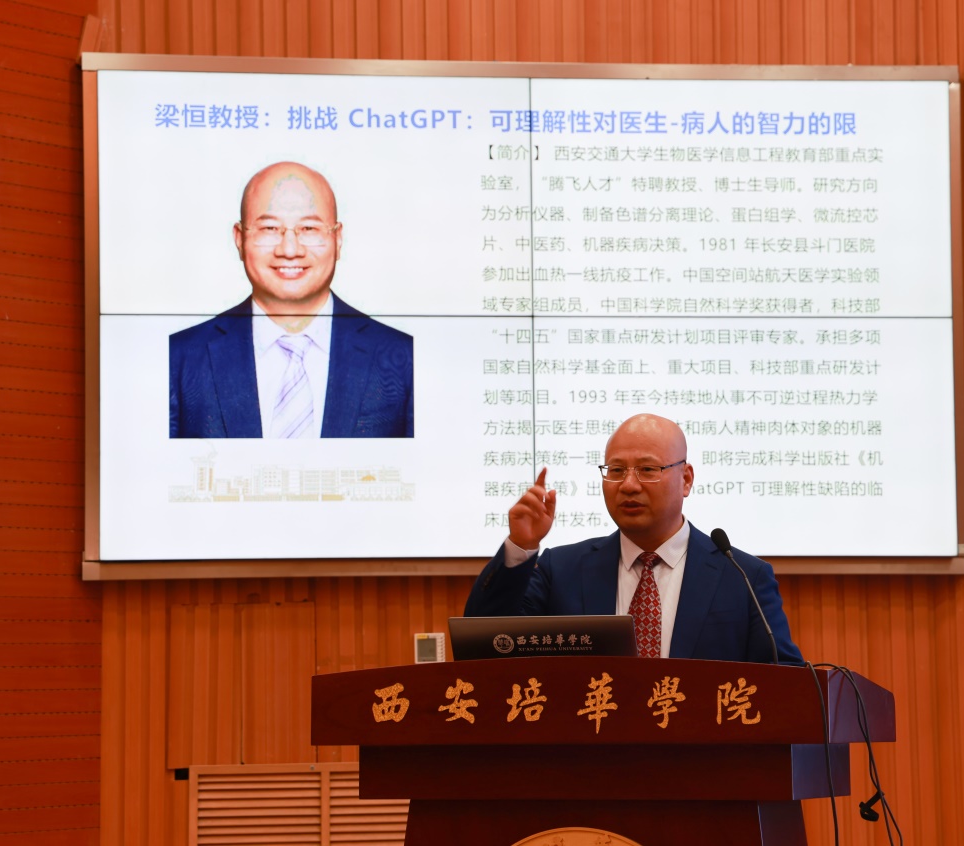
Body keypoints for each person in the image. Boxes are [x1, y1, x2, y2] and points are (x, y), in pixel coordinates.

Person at [464, 414, 802, 664]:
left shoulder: (743, 577)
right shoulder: (562, 569)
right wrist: (521, 548)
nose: (628, 485)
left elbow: (784, 678)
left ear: (686, 479)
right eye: (616, 470)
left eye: (647, 470)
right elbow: (485, 644)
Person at [169, 162, 413, 438]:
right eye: (269, 228)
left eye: (309, 228)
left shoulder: (404, 358)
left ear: (338, 239)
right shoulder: (179, 358)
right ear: (239, 239)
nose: (289, 249)